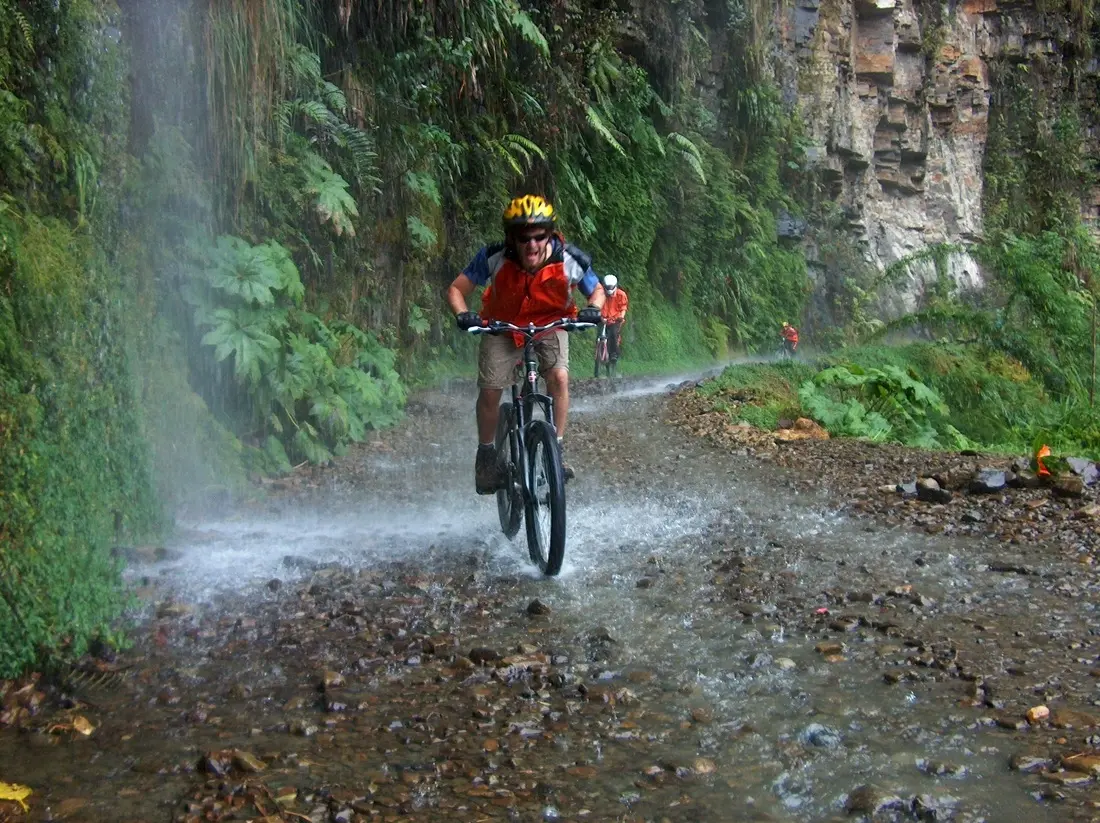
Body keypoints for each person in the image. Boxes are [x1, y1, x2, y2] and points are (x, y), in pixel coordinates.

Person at [445, 194, 605, 494]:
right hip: (502, 327)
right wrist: (464, 314)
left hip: (551, 325)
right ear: (511, 238)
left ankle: (556, 448)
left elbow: (596, 290)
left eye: (539, 236)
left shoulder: (568, 259)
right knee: (491, 391)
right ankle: (487, 454)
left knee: (558, 377)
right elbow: (456, 289)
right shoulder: (494, 257)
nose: (532, 244)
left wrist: (593, 308)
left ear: (549, 235)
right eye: (523, 237)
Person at [600, 274, 629, 375]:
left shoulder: (621, 295)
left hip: (615, 320)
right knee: (600, 336)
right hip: (602, 319)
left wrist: (621, 316)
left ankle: (614, 354)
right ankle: (599, 356)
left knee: (613, 334)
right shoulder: (600, 294)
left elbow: (623, 308)